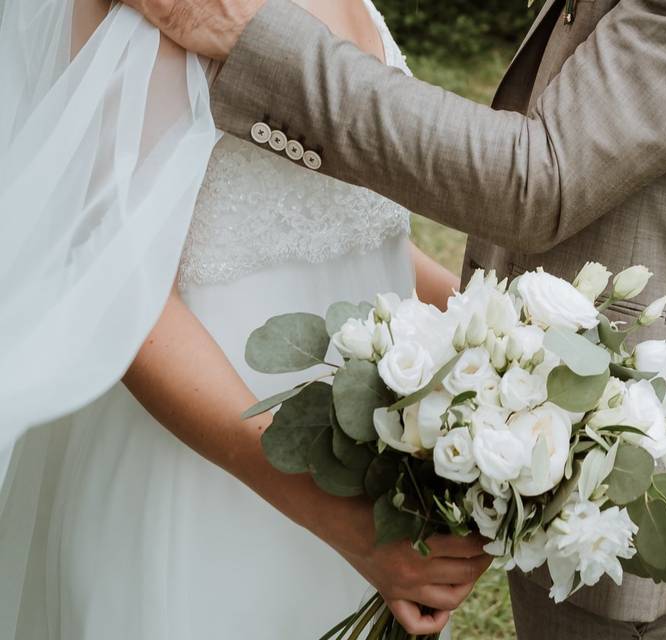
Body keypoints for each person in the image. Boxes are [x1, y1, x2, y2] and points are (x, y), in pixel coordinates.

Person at [117, 0, 666, 636]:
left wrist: (254, 42)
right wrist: (476, 348)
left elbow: (535, 178)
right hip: (492, 424)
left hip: (645, 452)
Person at [0, 1, 487, 638]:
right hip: (213, 480)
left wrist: (501, 334)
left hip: (373, 466)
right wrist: (338, 517)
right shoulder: (166, 12)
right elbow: (127, 297)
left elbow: (351, 224)